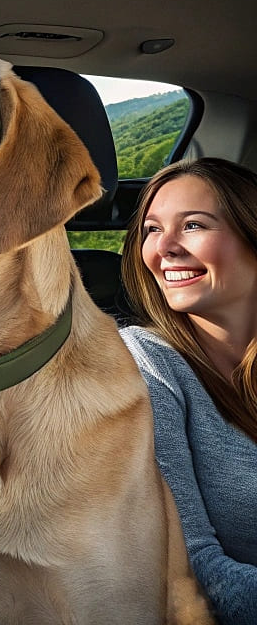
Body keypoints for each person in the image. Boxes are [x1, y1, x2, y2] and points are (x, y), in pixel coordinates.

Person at [120, 157, 257, 625]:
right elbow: (190, 570)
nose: (165, 248)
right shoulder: (147, 363)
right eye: (152, 230)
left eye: (193, 225)